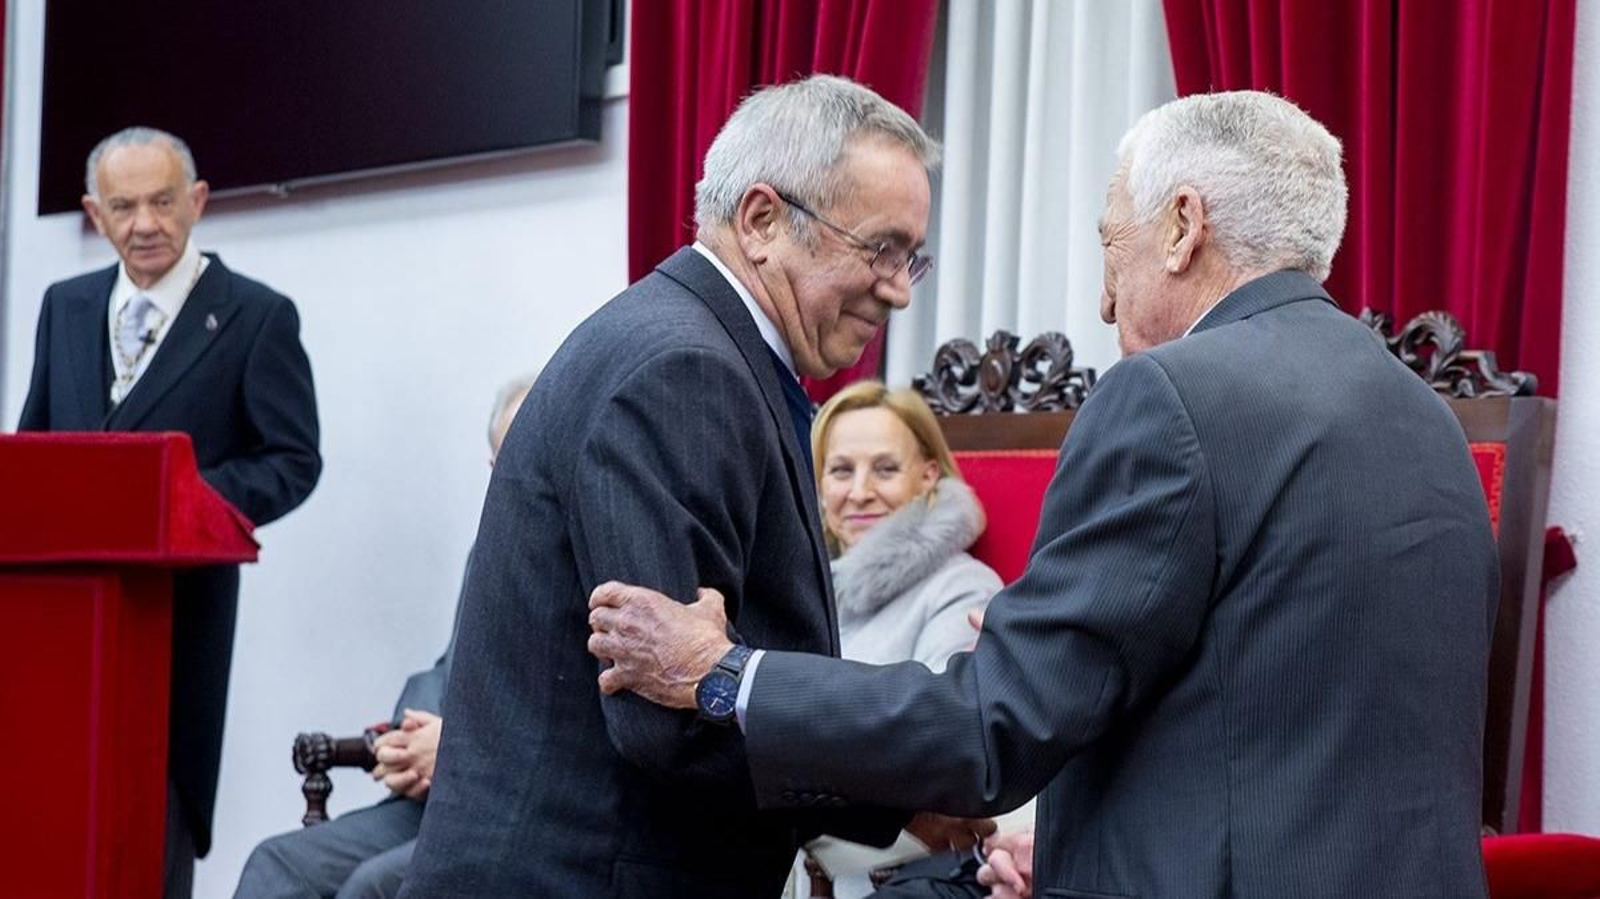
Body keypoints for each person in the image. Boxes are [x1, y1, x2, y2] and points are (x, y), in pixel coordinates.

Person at [587, 90, 1501, 899]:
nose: (1104, 303)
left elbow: (993, 728)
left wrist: (725, 676)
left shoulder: (1171, 397)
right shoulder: (1427, 419)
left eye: (1111, 242)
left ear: (1183, 226)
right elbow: (1276, 705)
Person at [399, 75, 988, 899]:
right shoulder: (684, 371)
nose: (897, 286)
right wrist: (902, 792)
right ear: (761, 221)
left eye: (911, 258)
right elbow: (666, 717)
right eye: (880, 248)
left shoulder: (697, 347)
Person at [17, 126, 322, 898]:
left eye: (161, 201)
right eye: (123, 206)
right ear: (94, 211)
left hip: (176, 623)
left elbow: (292, 460)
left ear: (197, 201)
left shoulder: (255, 315)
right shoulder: (64, 306)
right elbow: (34, 452)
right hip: (61, 633)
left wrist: (172, 500)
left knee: (148, 829)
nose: (144, 222)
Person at [233, 376, 534, 899]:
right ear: (493, 470)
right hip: (435, 799)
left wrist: (458, 750)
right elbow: (447, 668)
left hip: (515, 809)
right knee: (277, 864)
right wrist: (410, 737)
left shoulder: (593, 549)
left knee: (370, 887)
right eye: (512, 458)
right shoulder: (487, 548)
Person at [801, 382, 1004, 899]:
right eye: (841, 470)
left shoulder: (965, 590)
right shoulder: (804, 586)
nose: (860, 491)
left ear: (927, 476)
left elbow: (939, 754)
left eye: (885, 469)